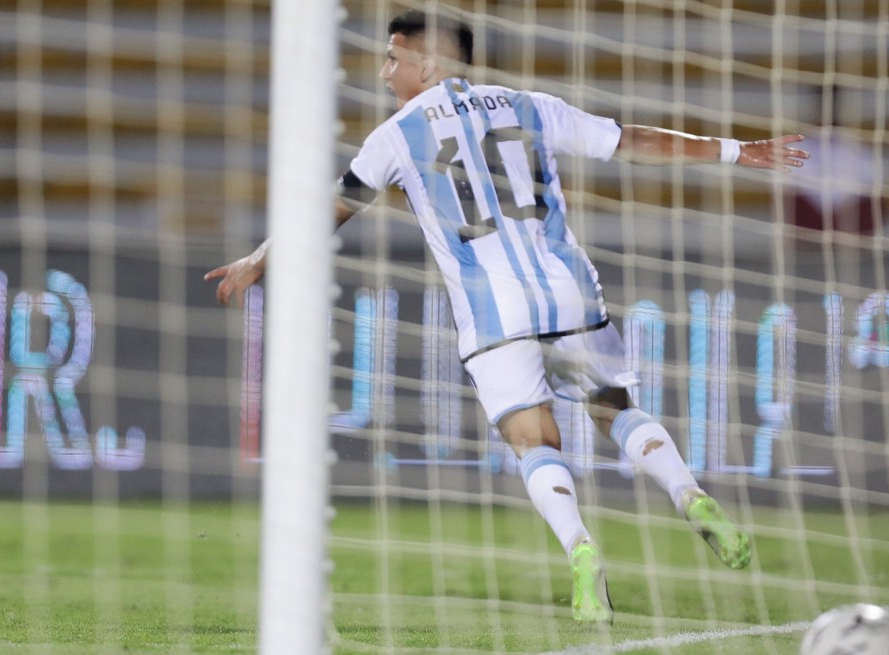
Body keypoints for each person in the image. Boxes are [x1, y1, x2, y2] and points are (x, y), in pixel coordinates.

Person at [206, 9, 807, 623]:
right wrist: (737, 150)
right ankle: (689, 494)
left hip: (491, 310)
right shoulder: (530, 105)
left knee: (532, 440)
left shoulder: (396, 135)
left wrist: (258, 259)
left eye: (393, 58)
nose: (384, 72)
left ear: (428, 64)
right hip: (568, 291)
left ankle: (580, 546)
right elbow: (631, 142)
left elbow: (328, 210)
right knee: (613, 409)